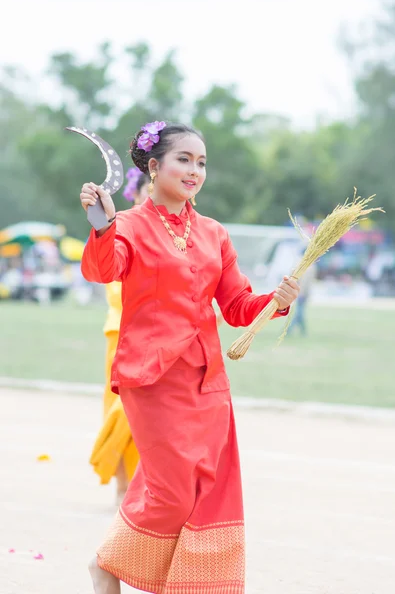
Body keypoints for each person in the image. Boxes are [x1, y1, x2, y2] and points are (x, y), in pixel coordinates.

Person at [80, 121, 300, 594]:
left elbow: (238, 307)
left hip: (207, 381)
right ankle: (105, 565)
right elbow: (104, 269)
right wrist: (101, 227)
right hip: (151, 377)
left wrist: (276, 301)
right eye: (184, 159)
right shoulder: (131, 226)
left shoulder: (214, 233)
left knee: (207, 490)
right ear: (154, 166)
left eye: (201, 162)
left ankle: (185, 585)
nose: (195, 170)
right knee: (172, 492)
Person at [89, 170, 150, 504]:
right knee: (121, 413)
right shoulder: (122, 225)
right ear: (135, 193)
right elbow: (113, 285)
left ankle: (147, 492)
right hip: (123, 335)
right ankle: (123, 488)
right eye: (148, 190)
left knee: (152, 419)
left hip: (161, 340)